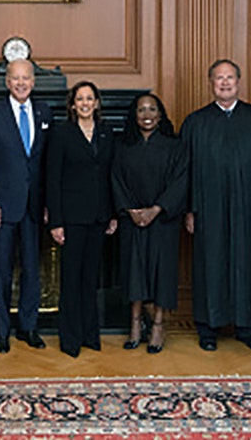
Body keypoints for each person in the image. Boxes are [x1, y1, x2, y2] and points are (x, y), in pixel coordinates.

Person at [181, 59, 251, 352]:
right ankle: (207, 328)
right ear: (210, 83)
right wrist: (190, 209)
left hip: (249, 207)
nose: (225, 83)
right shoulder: (196, 122)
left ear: (239, 82)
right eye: (219, 78)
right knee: (209, 263)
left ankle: (247, 327)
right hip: (209, 209)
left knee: (248, 263)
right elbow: (185, 171)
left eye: (230, 78)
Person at [0, 58, 52, 353]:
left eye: (26, 78)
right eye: (15, 78)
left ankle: (28, 328)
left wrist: (49, 204)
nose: (21, 83)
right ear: (7, 82)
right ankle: (3, 332)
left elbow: (47, 164)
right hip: (3, 208)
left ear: (33, 81)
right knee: (3, 271)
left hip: (34, 207)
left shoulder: (44, 112)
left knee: (33, 271)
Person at [111, 93, 187, 355]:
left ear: (160, 114)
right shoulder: (122, 145)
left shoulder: (174, 146)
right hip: (132, 220)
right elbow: (115, 179)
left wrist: (157, 209)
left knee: (161, 273)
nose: (147, 115)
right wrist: (131, 210)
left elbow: (181, 181)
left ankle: (157, 326)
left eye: (152, 109)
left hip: (163, 220)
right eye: (141, 110)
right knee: (135, 273)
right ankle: (135, 325)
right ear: (134, 114)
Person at [46, 82, 117, 358]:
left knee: (91, 279)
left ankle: (90, 334)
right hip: (71, 218)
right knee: (71, 279)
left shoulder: (106, 132)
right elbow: (52, 178)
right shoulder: (61, 133)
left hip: (99, 216)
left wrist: (112, 214)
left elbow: (111, 174)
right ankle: (70, 338)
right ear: (73, 105)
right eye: (80, 99)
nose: (86, 103)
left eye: (90, 98)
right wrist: (56, 221)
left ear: (97, 103)